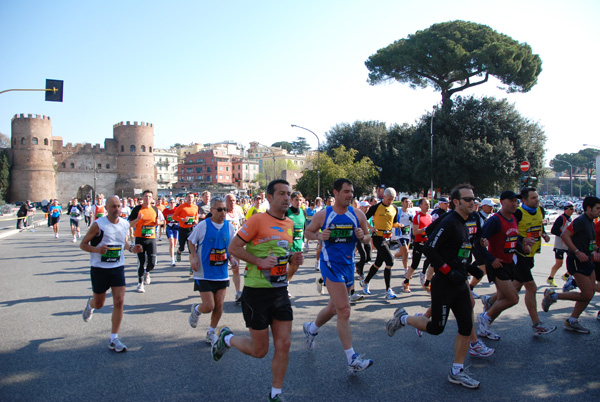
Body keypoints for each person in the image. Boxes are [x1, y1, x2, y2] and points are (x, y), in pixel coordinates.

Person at [212, 180, 303, 402]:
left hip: (280, 291)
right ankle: (228, 338)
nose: (286, 197)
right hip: (256, 292)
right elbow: (233, 247)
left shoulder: (290, 224)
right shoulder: (257, 220)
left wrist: (293, 261)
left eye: (288, 193)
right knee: (259, 351)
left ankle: (275, 394)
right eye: (281, 193)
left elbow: (282, 255)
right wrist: (259, 261)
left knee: (284, 344)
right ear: (269, 198)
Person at [386, 184, 480, 389]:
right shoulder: (449, 222)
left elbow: (460, 252)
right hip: (444, 283)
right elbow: (430, 248)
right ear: (457, 202)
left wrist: (470, 269)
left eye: (474, 199)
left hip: (460, 282)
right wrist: (448, 271)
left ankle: (457, 371)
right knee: (437, 328)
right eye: (468, 199)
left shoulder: (466, 222)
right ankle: (403, 318)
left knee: (466, 326)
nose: (473, 202)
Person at [303, 178, 374, 373]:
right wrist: (319, 236)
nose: (350, 195)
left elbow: (368, 237)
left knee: (334, 307)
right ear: (335, 193)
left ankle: (311, 329)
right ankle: (352, 358)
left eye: (352, 191)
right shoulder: (323, 215)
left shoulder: (357, 214)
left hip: (348, 265)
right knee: (344, 310)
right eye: (346, 192)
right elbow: (307, 233)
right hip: (330, 265)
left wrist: (362, 236)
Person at [80, 195, 142, 352]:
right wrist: (96, 250)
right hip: (99, 269)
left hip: (117, 268)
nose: (117, 209)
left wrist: (132, 249)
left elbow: (123, 243)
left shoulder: (124, 224)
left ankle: (114, 338)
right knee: (99, 303)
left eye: (119, 206)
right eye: (113, 206)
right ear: (106, 208)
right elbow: (83, 244)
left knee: (119, 301)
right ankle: (91, 304)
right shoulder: (98, 225)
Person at [542, 196, 600, 334]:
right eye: (597, 208)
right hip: (576, 260)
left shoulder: (591, 221)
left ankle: (572, 321)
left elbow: (590, 242)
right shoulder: (580, 221)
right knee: (586, 294)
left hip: (588, 261)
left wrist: (595, 250)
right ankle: (553, 296)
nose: (599, 211)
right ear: (588, 208)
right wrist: (577, 252)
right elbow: (565, 235)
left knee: (590, 293)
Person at [187, 196, 238, 345]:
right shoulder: (203, 225)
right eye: (220, 209)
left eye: (225, 209)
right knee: (209, 306)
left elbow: (230, 246)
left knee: (219, 305)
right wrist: (194, 256)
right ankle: (197, 309)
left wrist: (232, 259)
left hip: (221, 272)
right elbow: (191, 241)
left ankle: (211, 332)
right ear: (212, 210)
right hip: (204, 272)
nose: (223, 212)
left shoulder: (229, 226)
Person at [512, 187, 557, 335]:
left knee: (515, 288)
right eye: (533, 198)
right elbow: (510, 233)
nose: (537, 200)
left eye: (537, 197)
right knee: (531, 287)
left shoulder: (540, 210)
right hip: (520, 255)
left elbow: (539, 224)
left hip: (531, 255)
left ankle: (490, 302)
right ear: (524, 200)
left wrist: (543, 234)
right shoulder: (518, 213)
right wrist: (522, 241)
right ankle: (537, 323)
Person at [362, 187, 399, 298]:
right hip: (378, 238)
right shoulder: (376, 207)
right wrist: (371, 227)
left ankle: (365, 282)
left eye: (392, 199)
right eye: (388, 199)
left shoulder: (394, 208)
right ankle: (388, 290)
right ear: (383, 197)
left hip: (388, 238)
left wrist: (400, 226)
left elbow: (394, 223)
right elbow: (363, 218)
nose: (390, 201)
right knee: (390, 261)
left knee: (378, 263)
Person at [128, 190, 164, 293]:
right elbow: (130, 224)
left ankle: (147, 272)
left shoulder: (155, 210)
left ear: (152, 199)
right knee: (141, 261)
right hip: (139, 238)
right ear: (142, 198)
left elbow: (162, 221)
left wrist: (159, 222)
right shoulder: (137, 209)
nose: (147, 198)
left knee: (152, 262)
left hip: (151, 238)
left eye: (149, 197)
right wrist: (137, 219)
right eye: (146, 196)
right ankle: (140, 283)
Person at [403, 198, 432, 292]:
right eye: (426, 204)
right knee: (415, 264)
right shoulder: (417, 217)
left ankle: (427, 283)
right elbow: (415, 232)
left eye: (428, 204)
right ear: (420, 206)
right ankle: (406, 282)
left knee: (433, 262)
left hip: (427, 243)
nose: (428, 206)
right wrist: (425, 229)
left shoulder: (429, 216)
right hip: (418, 243)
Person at [547, 202, 575, 286]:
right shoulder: (561, 218)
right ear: (566, 209)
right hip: (560, 245)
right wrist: (563, 235)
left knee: (573, 261)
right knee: (559, 263)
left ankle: (566, 275)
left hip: (568, 244)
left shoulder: (571, 218)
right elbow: (553, 230)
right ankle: (550, 278)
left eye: (573, 209)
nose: (572, 211)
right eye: (571, 209)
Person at [285, 191, 306, 288]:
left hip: (298, 242)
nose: (298, 202)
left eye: (300, 200)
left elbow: (304, 227)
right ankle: (284, 285)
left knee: (295, 266)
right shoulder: (286, 212)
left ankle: (286, 282)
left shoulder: (303, 212)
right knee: (289, 264)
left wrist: (304, 241)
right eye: (296, 200)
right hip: (288, 243)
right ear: (291, 200)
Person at [393, 197, 414, 290]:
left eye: (409, 202)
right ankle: (406, 270)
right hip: (399, 235)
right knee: (405, 251)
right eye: (406, 202)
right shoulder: (399, 212)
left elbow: (414, 223)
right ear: (402, 203)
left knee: (403, 253)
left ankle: (394, 256)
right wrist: (399, 225)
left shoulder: (411, 212)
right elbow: (394, 223)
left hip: (407, 235)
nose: (408, 203)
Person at [173, 193, 199, 263]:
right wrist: (182, 219)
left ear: (194, 199)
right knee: (182, 248)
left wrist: (196, 221)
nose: (190, 199)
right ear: (186, 198)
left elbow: (196, 217)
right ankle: (179, 252)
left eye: (192, 197)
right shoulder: (181, 206)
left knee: (191, 250)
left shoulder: (195, 207)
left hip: (191, 229)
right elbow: (174, 216)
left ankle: (191, 267)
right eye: (189, 197)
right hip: (182, 229)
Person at [162, 198, 179, 266]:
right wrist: (163, 226)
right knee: (171, 242)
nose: (172, 204)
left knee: (174, 244)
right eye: (170, 202)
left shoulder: (177, 210)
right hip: (169, 227)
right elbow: (163, 219)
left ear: (175, 203)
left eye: (173, 202)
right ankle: (172, 259)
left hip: (176, 227)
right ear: (168, 203)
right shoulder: (165, 211)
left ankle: (173, 252)